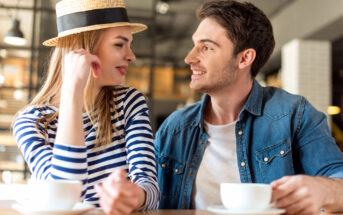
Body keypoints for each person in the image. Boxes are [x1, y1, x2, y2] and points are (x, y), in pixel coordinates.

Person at [154, 0, 343, 214]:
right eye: (194, 45)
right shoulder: (174, 128)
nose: (190, 58)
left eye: (206, 47)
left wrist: (325, 190)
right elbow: (146, 193)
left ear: (245, 58)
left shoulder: (294, 115)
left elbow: (338, 178)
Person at [13, 0, 159, 214]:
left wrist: (134, 195)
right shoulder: (30, 122)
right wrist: (73, 92)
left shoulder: (129, 103)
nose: (131, 56)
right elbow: (63, 199)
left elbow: (150, 190)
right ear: (83, 50)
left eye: (130, 44)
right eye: (120, 44)